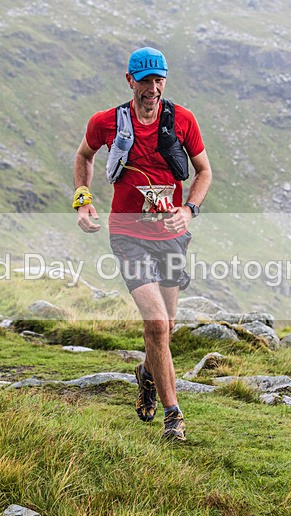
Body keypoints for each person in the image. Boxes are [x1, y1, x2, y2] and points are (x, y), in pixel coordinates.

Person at [72, 47, 212, 442]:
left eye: (159, 80)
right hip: (128, 234)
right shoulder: (106, 122)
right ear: (130, 80)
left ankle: (147, 373)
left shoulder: (182, 120)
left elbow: (204, 171)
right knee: (154, 324)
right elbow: (84, 156)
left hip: (171, 236)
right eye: (145, 80)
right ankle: (174, 417)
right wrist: (83, 201)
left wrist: (189, 210)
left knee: (167, 327)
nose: (153, 88)